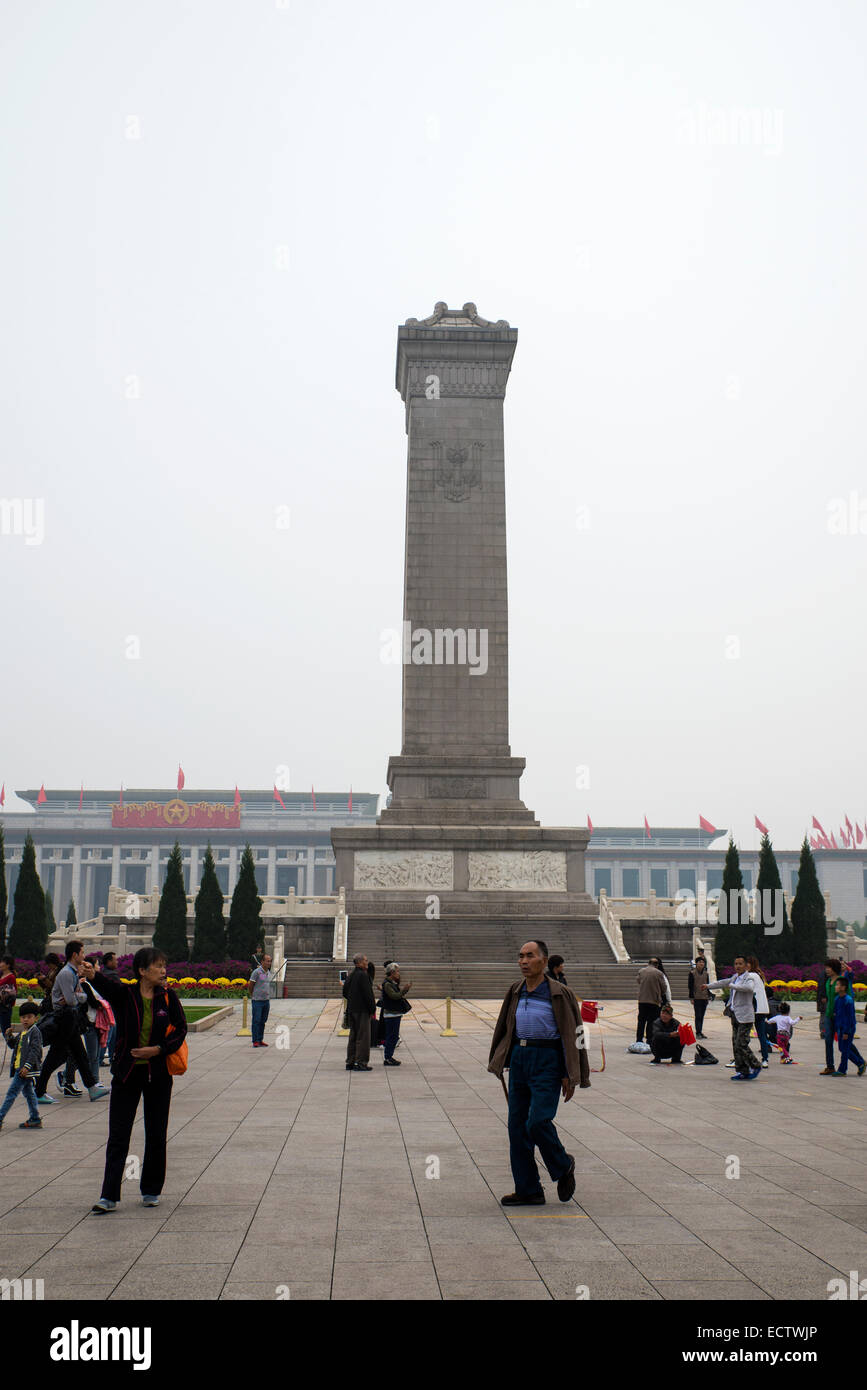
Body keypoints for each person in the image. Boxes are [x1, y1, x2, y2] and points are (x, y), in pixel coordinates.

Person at [488, 940, 590, 1206]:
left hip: (548, 1059)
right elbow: (504, 1027)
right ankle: (528, 1189)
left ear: (543, 961)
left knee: (538, 1121)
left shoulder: (560, 993)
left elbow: (576, 1032)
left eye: (529, 956)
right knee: (517, 1128)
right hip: (521, 1058)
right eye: (520, 956)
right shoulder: (515, 991)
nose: (523, 961)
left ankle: (562, 1163)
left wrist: (572, 1071)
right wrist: (500, 1060)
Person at [90, 947, 188, 1212]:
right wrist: (92, 974)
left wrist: (158, 1049)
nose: (163, 970)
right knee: (119, 1135)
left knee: (156, 1133)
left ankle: (151, 1189)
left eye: (164, 965)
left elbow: (181, 1028)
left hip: (158, 1075)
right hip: (127, 1074)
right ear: (142, 971)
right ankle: (108, 1195)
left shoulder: (167, 997)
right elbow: (107, 987)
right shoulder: (126, 995)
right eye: (157, 966)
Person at [33, 942, 109, 1105]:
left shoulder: (72, 972)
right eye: (82, 952)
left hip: (70, 1017)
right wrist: (77, 996)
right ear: (74, 955)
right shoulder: (67, 974)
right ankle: (39, 1091)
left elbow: (78, 997)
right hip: (65, 1018)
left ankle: (92, 1087)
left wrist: (78, 996)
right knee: (55, 1056)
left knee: (80, 1055)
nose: (83, 955)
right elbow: (72, 1000)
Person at [708, 956, 761, 1080]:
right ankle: (743, 1070)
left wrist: (733, 986)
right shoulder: (735, 978)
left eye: (740, 964)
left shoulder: (749, 977)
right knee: (735, 1044)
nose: (737, 966)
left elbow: (749, 988)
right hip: (735, 1014)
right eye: (736, 963)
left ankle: (755, 1064)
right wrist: (708, 986)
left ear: (746, 965)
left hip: (745, 1017)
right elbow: (723, 982)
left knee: (741, 1044)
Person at [0, 1001, 43, 1131]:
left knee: (11, 1093)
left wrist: (27, 1066)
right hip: (21, 1069)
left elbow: (35, 1051)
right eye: (23, 1017)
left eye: (29, 1017)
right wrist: (9, 1036)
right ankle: (35, 1118)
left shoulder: (34, 1032)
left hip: (24, 1070)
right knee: (29, 1093)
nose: (25, 1020)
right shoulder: (24, 1032)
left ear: (36, 1018)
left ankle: (0, 1117)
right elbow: (14, 1046)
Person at [342, 954, 376, 1071]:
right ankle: (361, 1062)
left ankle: (350, 1061)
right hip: (362, 1010)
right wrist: (372, 1008)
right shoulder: (363, 975)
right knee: (363, 1037)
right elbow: (368, 994)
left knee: (353, 1036)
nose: (367, 962)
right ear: (360, 962)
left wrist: (353, 999)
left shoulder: (351, 975)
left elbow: (345, 991)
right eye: (366, 960)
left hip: (352, 1009)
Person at [820, 959, 854, 1075]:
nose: (826, 970)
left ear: (834, 968)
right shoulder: (828, 981)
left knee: (843, 1043)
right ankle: (830, 1066)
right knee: (828, 1040)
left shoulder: (841, 982)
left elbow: (847, 998)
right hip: (829, 1015)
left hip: (840, 1017)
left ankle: (859, 1061)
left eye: (828, 967)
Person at [832, 978, 867, 1077]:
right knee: (844, 1048)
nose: (836, 987)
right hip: (840, 1028)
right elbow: (836, 1014)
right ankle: (860, 1062)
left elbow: (850, 1018)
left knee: (845, 1050)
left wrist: (847, 1032)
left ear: (843, 987)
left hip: (848, 1029)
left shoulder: (848, 1000)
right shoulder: (837, 999)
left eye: (837, 985)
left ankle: (842, 1070)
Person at [381, 963, 412, 1066]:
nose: (399, 973)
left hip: (394, 1013)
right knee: (392, 1036)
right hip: (391, 1014)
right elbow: (394, 996)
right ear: (392, 972)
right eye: (397, 971)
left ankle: (389, 1056)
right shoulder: (387, 984)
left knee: (394, 1036)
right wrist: (404, 990)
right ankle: (388, 1057)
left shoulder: (391, 983)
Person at [745, 955, 771, 1068]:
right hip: (762, 1009)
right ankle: (765, 1059)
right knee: (762, 1035)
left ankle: (742, 1057)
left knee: (743, 1035)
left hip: (754, 1009)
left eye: (747, 963)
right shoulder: (760, 975)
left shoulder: (750, 975)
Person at [636, 959, 667, 1043]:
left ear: (648, 963)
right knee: (651, 1021)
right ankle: (649, 1040)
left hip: (642, 1000)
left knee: (641, 1021)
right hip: (654, 1001)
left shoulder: (641, 971)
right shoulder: (659, 973)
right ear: (656, 965)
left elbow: (638, 981)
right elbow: (664, 987)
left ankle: (639, 1039)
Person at [248, 953, 275, 1048]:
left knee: (263, 1021)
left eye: (270, 961)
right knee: (256, 1020)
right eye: (267, 961)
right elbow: (251, 985)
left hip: (266, 1001)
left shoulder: (268, 973)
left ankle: (260, 1039)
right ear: (262, 961)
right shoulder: (257, 972)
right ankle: (255, 1040)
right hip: (257, 1001)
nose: (269, 963)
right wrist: (253, 995)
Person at [98, 953, 120, 1065]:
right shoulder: (111, 975)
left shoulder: (103, 974)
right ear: (109, 962)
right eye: (115, 960)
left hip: (106, 1008)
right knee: (109, 1036)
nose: (117, 962)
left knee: (111, 1035)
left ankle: (111, 1057)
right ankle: (102, 1058)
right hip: (110, 1009)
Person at [688, 955, 711, 1038]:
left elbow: (708, 985)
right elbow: (690, 986)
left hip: (704, 997)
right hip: (696, 997)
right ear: (696, 963)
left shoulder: (706, 973)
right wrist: (691, 997)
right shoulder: (692, 973)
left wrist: (708, 996)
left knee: (702, 1015)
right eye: (700, 962)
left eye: (703, 962)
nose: (701, 963)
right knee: (698, 1015)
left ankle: (700, 1031)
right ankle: (698, 1032)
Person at [0, 955, 17, 1038]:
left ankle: (15, 1046)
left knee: (5, 1031)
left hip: (4, 1008)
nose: (0, 964)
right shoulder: (2, 976)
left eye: (2, 962)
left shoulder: (11, 977)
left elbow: (12, 993)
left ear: (8, 965)